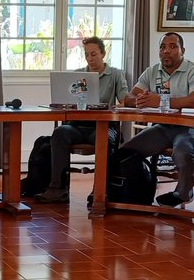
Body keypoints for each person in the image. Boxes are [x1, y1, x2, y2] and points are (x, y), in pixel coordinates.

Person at [119, 32, 194, 206]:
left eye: (173, 46)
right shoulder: (152, 71)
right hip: (163, 128)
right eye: (162, 47)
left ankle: (183, 193)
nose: (166, 51)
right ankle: (136, 190)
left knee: (183, 149)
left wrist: (160, 101)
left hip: (191, 128)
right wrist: (140, 100)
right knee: (126, 151)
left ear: (183, 50)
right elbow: (129, 97)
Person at [35, 36, 130, 204]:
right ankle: (58, 188)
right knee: (59, 133)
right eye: (87, 55)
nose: (90, 58)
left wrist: (117, 106)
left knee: (104, 138)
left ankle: (100, 190)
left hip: (103, 126)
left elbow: (124, 100)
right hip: (78, 126)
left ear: (103, 54)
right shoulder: (78, 75)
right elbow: (68, 100)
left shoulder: (115, 74)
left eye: (94, 54)